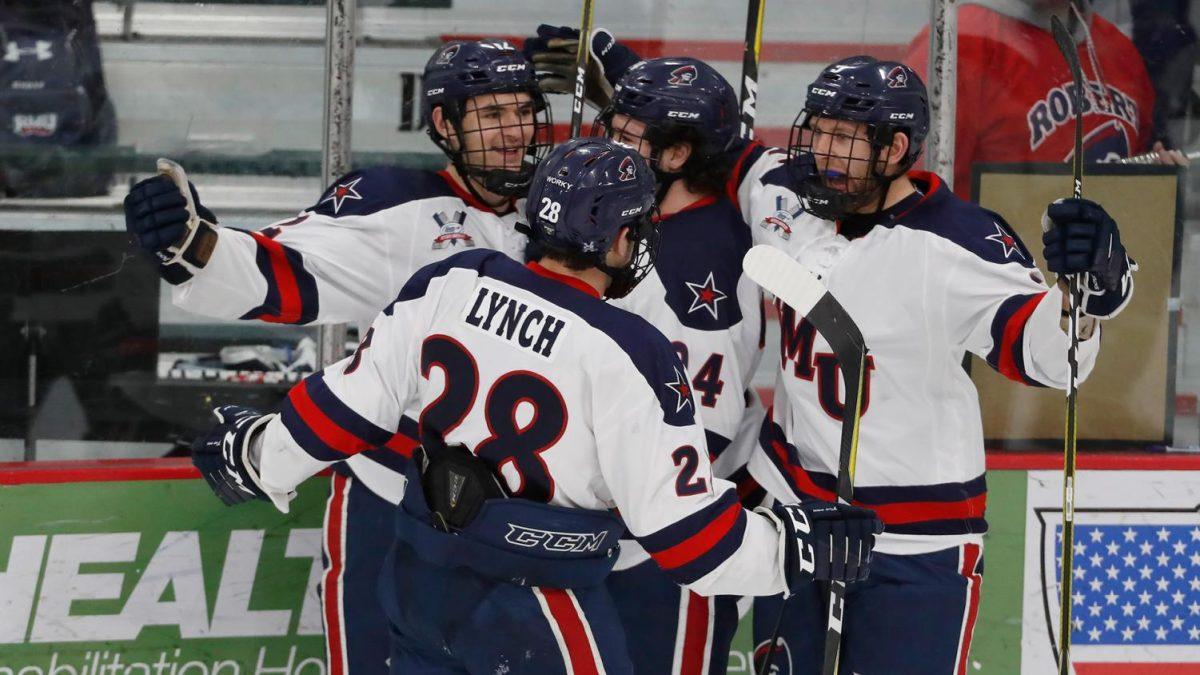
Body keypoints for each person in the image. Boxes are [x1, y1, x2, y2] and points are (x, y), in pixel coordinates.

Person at [188, 137, 884, 675]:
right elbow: (689, 542)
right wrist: (793, 548)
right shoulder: (631, 351)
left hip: (418, 583)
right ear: (614, 237)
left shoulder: (448, 282)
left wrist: (258, 457)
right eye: (637, 228)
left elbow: (341, 410)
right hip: (534, 608)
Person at [123, 38, 553, 675]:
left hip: (526, 520)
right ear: (444, 124)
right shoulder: (394, 203)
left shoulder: (568, 207)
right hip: (395, 503)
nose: (513, 132)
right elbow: (288, 273)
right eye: (491, 116)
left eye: (521, 111)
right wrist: (198, 244)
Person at [746, 56, 1136, 673]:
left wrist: (1087, 297)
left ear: (896, 148)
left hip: (910, 546)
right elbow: (728, 157)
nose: (821, 150)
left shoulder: (959, 241)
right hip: (798, 521)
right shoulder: (787, 191)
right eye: (816, 129)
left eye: (842, 138)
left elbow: (1044, 353)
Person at [584, 56, 770, 675]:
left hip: (674, 536)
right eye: (618, 124)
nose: (613, 143)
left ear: (678, 155)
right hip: (605, 527)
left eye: (633, 136)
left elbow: (703, 430)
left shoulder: (705, 250)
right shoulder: (637, 216)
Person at [905, 0, 1186, 201]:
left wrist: (1153, 182)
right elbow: (910, 196)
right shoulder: (958, 42)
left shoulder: (1119, 52)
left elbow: (1131, 171)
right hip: (996, 274)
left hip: (1094, 271)